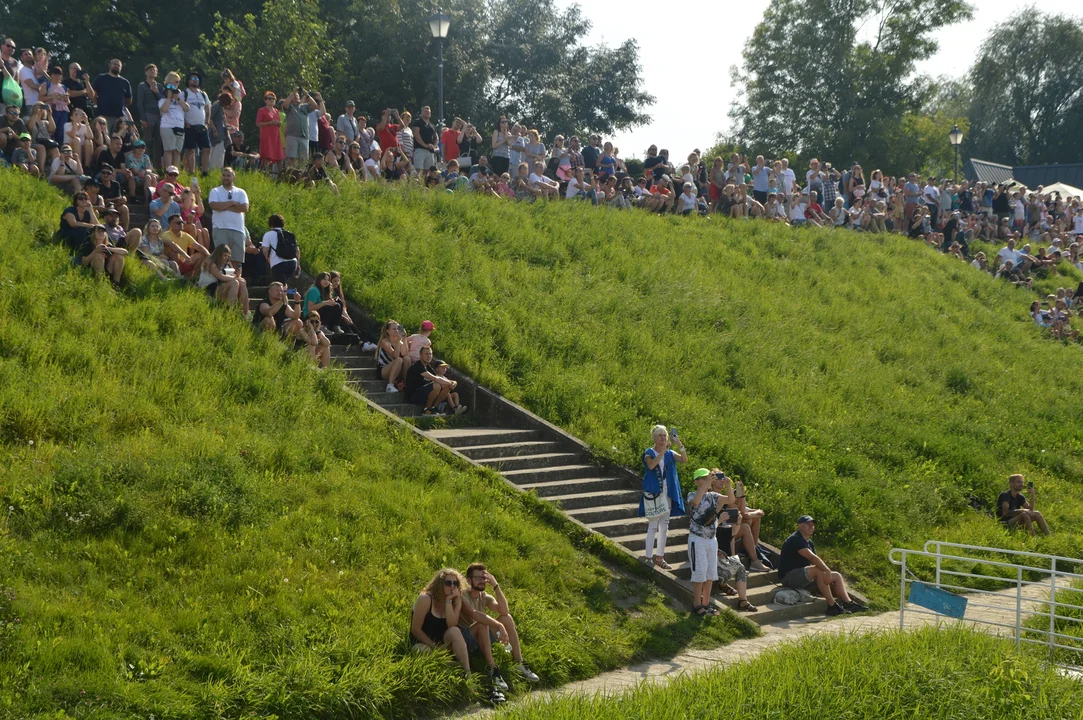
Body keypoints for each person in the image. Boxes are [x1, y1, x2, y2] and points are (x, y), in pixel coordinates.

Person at [461, 563, 540, 686]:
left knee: (507, 618)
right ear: (469, 580)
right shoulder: (462, 595)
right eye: (477, 578)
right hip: (464, 640)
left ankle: (518, 662)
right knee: (483, 623)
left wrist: (496, 585)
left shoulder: (484, 596)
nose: (482, 581)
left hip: (480, 637)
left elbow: (504, 610)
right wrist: (499, 626)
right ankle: (492, 669)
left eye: (484, 578)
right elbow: (475, 614)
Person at [777, 516, 866, 616]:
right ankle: (832, 606)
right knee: (819, 571)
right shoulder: (795, 539)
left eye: (813, 525)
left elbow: (815, 562)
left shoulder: (809, 542)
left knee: (836, 575)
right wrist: (826, 570)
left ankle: (848, 603)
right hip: (788, 576)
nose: (811, 527)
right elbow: (812, 558)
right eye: (808, 524)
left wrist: (825, 576)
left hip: (803, 576)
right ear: (800, 526)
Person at [409, 569, 472, 680]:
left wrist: (449, 602)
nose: (452, 586)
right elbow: (415, 629)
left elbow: (452, 625)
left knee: (455, 631)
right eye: (448, 583)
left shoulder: (455, 601)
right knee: (418, 650)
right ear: (439, 584)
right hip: (423, 643)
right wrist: (434, 647)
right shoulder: (425, 599)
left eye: (455, 583)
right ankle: (448, 665)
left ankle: (468, 673)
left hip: (443, 644)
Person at [639, 425, 687, 570]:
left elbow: (684, 460)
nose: (662, 438)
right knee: (653, 526)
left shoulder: (670, 453)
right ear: (654, 437)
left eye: (664, 436)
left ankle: (660, 557)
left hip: (667, 492)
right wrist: (663, 452)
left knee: (664, 526)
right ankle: (648, 557)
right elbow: (652, 465)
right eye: (660, 436)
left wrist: (679, 444)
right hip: (654, 493)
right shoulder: (649, 452)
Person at [208, 168, 249, 274]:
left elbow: (244, 208)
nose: (225, 177)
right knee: (221, 258)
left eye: (228, 175)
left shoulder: (241, 192)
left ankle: (236, 281)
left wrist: (224, 206)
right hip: (221, 228)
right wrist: (232, 203)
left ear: (233, 177)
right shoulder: (215, 191)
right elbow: (214, 205)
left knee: (237, 260)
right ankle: (223, 283)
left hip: (238, 230)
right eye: (224, 175)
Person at [404, 345, 452, 415]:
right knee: (437, 385)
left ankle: (433, 408)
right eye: (426, 354)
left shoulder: (428, 366)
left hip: (423, 394)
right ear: (420, 355)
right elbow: (435, 378)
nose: (429, 356)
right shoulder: (417, 366)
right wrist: (451, 382)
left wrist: (453, 382)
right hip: (413, 396)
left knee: (447, 386)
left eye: (430, 354)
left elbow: (439, 377)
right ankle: (426, 409)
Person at [181, 73, 211, 175]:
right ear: (188, 81)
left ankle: (205, 172)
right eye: (193, 78)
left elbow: (208, 108)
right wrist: (185, 122)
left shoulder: (203, 94)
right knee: (191, 150)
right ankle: (191, 172)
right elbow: (179, 109)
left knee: (206, 149)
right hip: (190, 125)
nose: (195, 80)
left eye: (197, 79)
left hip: (202, 125)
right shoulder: (184, 93)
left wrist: (207, 122)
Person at [91, 59, 131, 131]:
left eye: (118, 65)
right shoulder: (101, 78)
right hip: (103, 115)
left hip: (120, 117)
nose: (116, 66)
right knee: (104, 139)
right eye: (114, 64)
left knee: (119, 139)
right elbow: (93, 94)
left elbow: (128, 100)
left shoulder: (125, 82)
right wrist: (99, 103)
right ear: (110, 65)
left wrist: (121, 106)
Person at [261, 213, 300, 283]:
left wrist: (269, 260)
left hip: (278, 264)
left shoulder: (268, 234)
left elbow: (265, 251)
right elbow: (297, 251)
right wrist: (298, 264)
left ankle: (287, 294)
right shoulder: (289, 234)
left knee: (280, 286)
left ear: (270, 224)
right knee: (284, 284)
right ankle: (287, 293)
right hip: (292, 263)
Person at [375, 320, 412, 393]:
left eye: (398, 329)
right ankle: (390, 385)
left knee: (407, 359)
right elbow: (395, 356)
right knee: (399, 360)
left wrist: (404, 339)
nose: (396, 331)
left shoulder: (400, 342)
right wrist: (398, 340)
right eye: (394, 329)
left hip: (397, 370)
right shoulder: (385, 341)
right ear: (388, 331)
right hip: (384, 370)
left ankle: (405, 383)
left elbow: (405, 354)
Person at [256, 92, 285, 172]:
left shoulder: (276, 111)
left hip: (276, 137)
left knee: (279, 156)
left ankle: (280, 176)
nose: (271, 100)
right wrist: (270, 123)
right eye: (269, 98)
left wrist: (278, 123)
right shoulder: (262, 110)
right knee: (266, 156)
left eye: (273, 99)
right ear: (265, 100)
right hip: (267, 136)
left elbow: (278, 122)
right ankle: (264, 173)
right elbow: (258, 123)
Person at [410, 106, 438, 171]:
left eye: (429, 112)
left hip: (430, 151)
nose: (427, 113)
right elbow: (416, 134)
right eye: (425, 111)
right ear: (421, 113)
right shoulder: (417, 122)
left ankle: (425, 181)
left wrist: (433, 146)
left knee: (428, 170)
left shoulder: (432, 125)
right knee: (418, 169)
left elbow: (436, 137)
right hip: (420, 149)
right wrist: (425, 145)